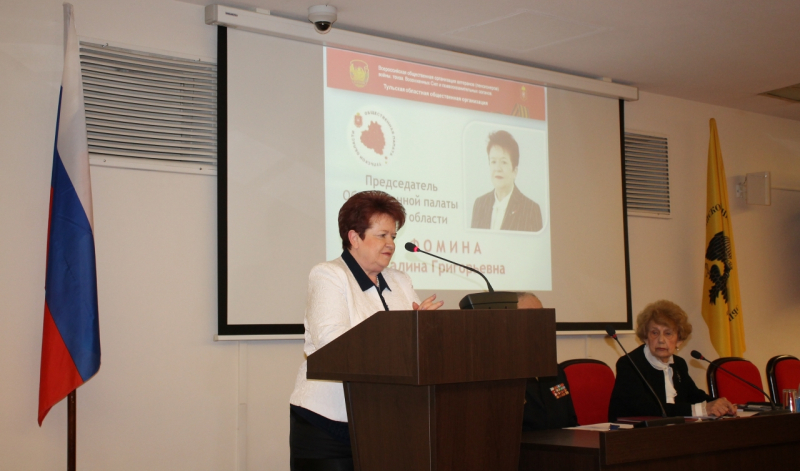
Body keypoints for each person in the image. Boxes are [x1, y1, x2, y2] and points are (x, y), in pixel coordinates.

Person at [288, 190, 443, 471]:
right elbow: (332, 343)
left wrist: (423, 329)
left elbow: (411, 347)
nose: (391, 244)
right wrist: (405, 332)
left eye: (393, 236)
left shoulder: (400, 280)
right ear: (354, 237)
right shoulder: (329, 275)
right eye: (382, 235)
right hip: (329, 424)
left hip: (386, 419)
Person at [608, 300, 737, 421]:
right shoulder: (629, 364)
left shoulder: (678, 364)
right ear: (646, 337)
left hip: (671, 431)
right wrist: (700, 409)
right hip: (633, 433)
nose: (661, 340)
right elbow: (645, 408)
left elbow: (694, 395)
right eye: (654, 333)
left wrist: (718, 404)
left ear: (679, 340)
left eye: (668, 333)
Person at [471, 130, 542, 232]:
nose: (498, 168)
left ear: (515, 171)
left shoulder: (531, 209)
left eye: (503, 162)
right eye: (493, 162)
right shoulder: (480, 204)